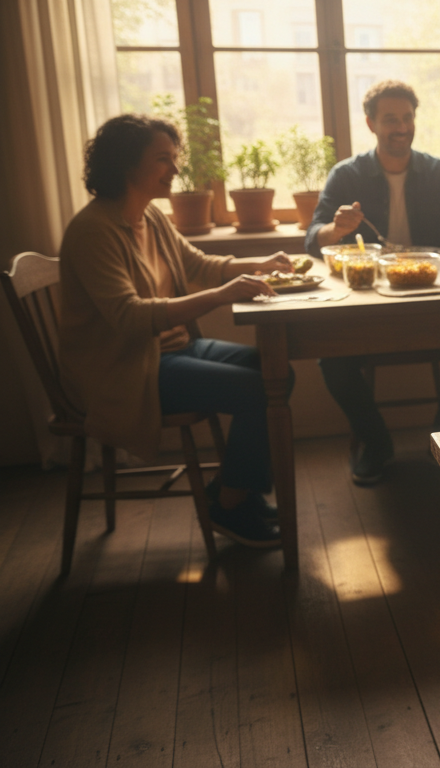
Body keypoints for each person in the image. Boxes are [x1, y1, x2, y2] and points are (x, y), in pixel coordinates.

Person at [59, 114, 294, 547]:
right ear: (126, 165)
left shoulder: (150, 217)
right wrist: (224, 294)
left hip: (173, 351)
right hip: (125, 371)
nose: (176, 169)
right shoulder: (94, 231)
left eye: (174, 157)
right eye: (163, 159)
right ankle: (229, 503)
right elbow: (129, 317)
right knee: (258, 389)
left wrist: (263, 263)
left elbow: (199, 265)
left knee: (277, 373)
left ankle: (233, 494)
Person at [305, 80, 440, 485]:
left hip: (435, 303)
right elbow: (311, 238)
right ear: (371, 124)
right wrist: (335, 229)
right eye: (391, 119)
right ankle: (376, 443)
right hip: (369, 311)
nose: (401, 127)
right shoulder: (347, 175)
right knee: (331, 360)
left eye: (407, 118)